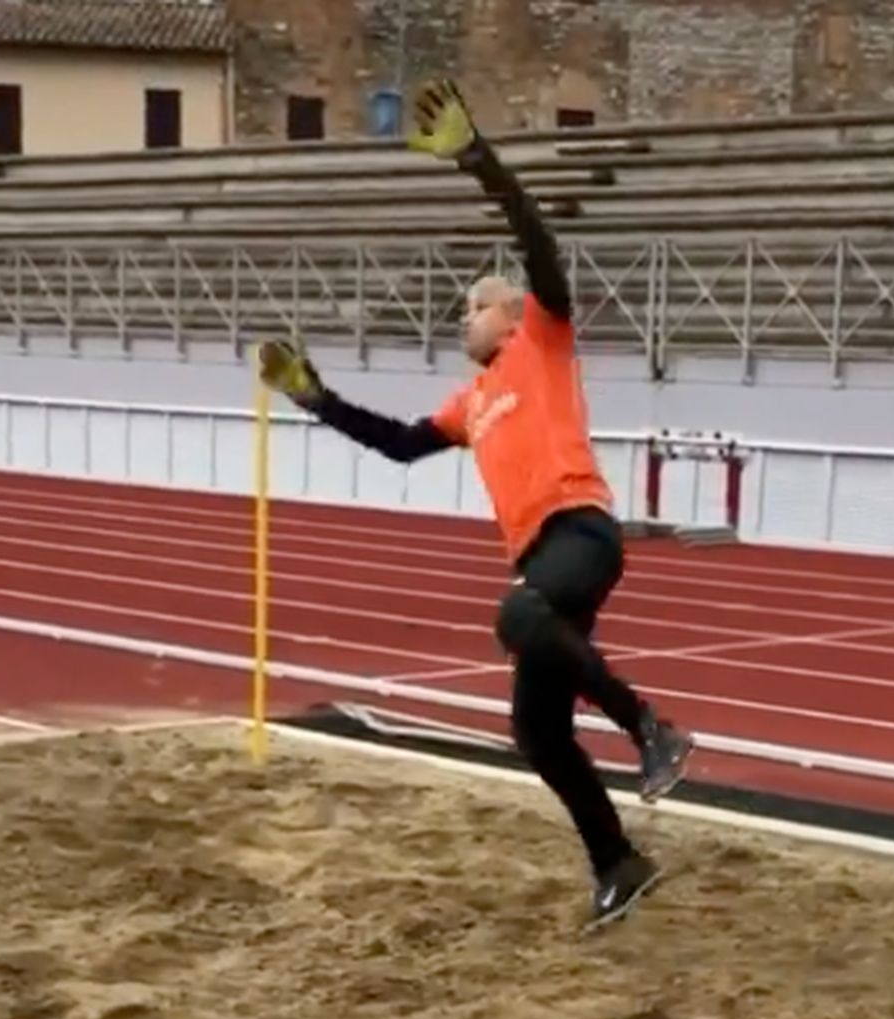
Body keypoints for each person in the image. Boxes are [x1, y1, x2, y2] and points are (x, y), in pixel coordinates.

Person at [253, 79, 694, 931]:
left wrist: (477, 161)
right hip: (541, 560)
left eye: (470, 308)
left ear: (507, 312)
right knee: (535, 729)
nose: (461, 322)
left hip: (583, 531)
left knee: (518, 617)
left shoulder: (544, 339)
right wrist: (314, 397)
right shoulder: (471, 401)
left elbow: (542, 250)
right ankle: (618, 863)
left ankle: (650, 727)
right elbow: (398, 443)